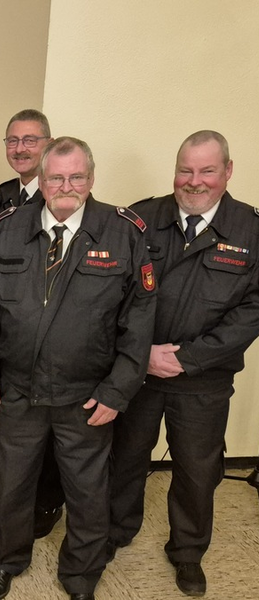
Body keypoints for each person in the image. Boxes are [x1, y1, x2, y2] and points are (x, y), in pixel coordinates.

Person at [0, 137, 156, 600]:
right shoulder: (7, 229)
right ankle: (9, 560)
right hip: (17, 389)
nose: (66, 186)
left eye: (76, 177)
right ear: (41, 179)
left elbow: (139, 322)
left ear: (91, 179)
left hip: (87, 393)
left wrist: (118, 391)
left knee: (87, 491)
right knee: (12, 483)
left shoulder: (123, 232)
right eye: (55, 177)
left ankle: (80, 576)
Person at [108, 131, 259, 597]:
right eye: (185, 171)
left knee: (196, 470)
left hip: (203, 379)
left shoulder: (251, 229)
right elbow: (113, 290)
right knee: (125, 458)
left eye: (207, 171)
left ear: (227, 172)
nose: (194, 182)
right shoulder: (141, 217)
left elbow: (252, 309)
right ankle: (116, 530)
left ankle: (188, 552)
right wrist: (141, 353)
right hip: (139, 370)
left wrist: (188, 359)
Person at [0, 109, 65, 540]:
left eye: (31, 140)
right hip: (15, 342)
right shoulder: (4, 198)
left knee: (52, 437)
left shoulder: (67, 195)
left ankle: (48, 498)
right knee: (18, 435)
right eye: (12, 140)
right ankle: (17, 494)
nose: (21, 148)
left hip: (59, 347)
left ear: (49, 143)